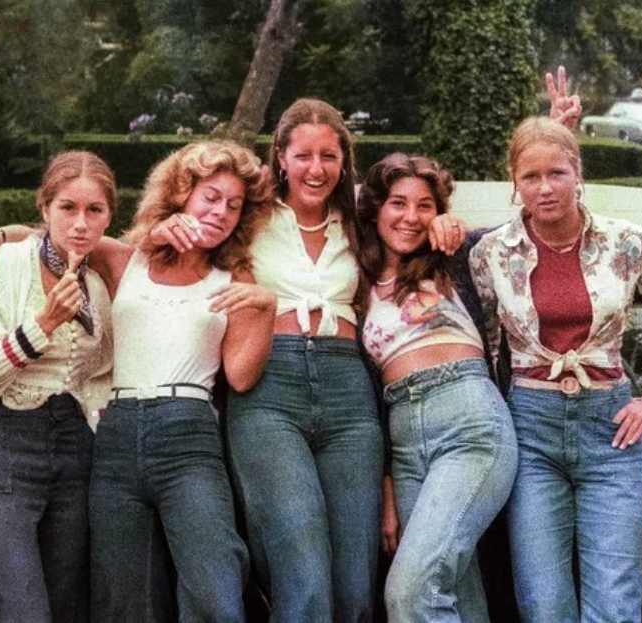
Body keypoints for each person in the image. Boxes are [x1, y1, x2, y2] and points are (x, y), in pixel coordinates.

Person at [0, 140, 277, 622]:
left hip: (188, 431)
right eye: (210, 197)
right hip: (116, 432)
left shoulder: (234, 276)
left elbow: (241, 376)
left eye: (234, 204)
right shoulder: (126, 259)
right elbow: (57, 234)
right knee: (122, 598)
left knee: (215, 582)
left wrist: (266, 310)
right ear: (181, 196)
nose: (221, 212)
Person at [156, 100, 466, 621]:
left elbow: (418, 221)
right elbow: (150, 233)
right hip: (269, 389)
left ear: (345, 160)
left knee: (353, 584)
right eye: (302, 155)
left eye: (329, 156)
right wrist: (7, 235)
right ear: (280, 157)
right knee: (302, 570)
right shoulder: (249, 216)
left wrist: (450, 224)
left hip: (348, 390)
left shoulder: (360, 222)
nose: (315, 169)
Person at [469, 116, 642, 621]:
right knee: (543, 603)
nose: (545, 188)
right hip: (530, 430)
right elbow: (485, 347)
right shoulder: (490, 253)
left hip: (611, 432)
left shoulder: (627, 242)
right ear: (513, 182)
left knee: (615, 600)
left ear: (577, 172)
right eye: (531, 177)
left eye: (557, 173)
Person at [0, 150, 116, 622]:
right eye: (68, 208)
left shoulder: (97, 290)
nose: (81, 223)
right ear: (44, 209)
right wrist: (41, 325)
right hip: (6, 451)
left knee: (68, 608)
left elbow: (99, 371)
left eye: (94, 210)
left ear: (107, 217)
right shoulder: (4, 266)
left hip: (76, 455)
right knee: (23, 611)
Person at [356, 153, 518, 623]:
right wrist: (387, 488)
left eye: (424, 205)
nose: (410, 217)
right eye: (397, 203)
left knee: (410, 592)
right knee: (456, 598)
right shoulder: (356, 282)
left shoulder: (456, 258)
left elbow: (524, 233)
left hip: (469, 423)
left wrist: (455, 226)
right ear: (376, 209)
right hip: (405, 446)